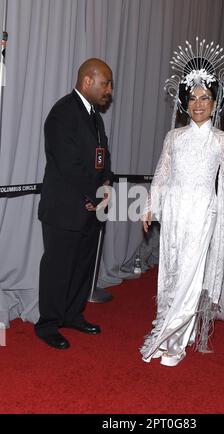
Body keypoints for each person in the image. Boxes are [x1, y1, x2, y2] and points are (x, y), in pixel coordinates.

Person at [140, 38, 224, 367]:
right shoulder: (173, 137)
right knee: (171, 273)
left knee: (190, 276)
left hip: (204, 213)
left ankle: (176, 342)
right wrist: (150, 206)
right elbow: (161, 172)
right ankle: (165, 327)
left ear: (215, 103)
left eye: (205, 98)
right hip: (174, 213)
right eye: (193, 98)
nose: (198, 104)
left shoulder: (222, 140)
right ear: (185, 102)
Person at [35, 58, 114, 349]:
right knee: (58, 269)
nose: (109, 89)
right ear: (86, 82)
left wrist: (105, 185)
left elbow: (102, 154)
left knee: (82, 266)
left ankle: (72, 314)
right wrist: (94, 193)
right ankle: (48, 325)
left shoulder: (95, 116)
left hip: (90, 207)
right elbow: (68, 164)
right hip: (64, 208)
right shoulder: (62, 113)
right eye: (105, 83)